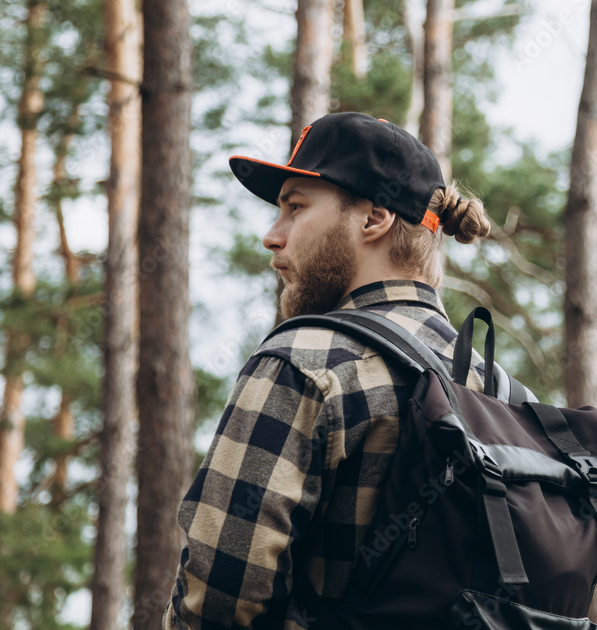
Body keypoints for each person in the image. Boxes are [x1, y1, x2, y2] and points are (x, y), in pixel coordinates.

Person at [164, 112, 513, 630]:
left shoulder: (304, 360)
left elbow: (219, 601)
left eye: (295, 208)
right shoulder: (497, 389)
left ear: (374, 219)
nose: (272, 236)